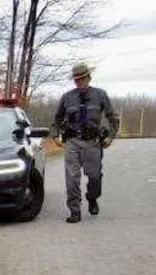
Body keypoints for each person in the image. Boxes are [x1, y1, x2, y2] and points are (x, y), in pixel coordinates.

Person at [51, 62, 119, 223]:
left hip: (92, 142)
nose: (79, 82)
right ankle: (74, 210)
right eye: (76, 80)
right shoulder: (67, 97)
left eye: (82, 79)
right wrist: (55, 135)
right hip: (73, 141)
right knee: (72, 177)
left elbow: (112, 117)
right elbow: (57, 118)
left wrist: (110, 135)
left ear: (88, 77)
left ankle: (92, 198)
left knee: (94, 176)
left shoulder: (100, 95)